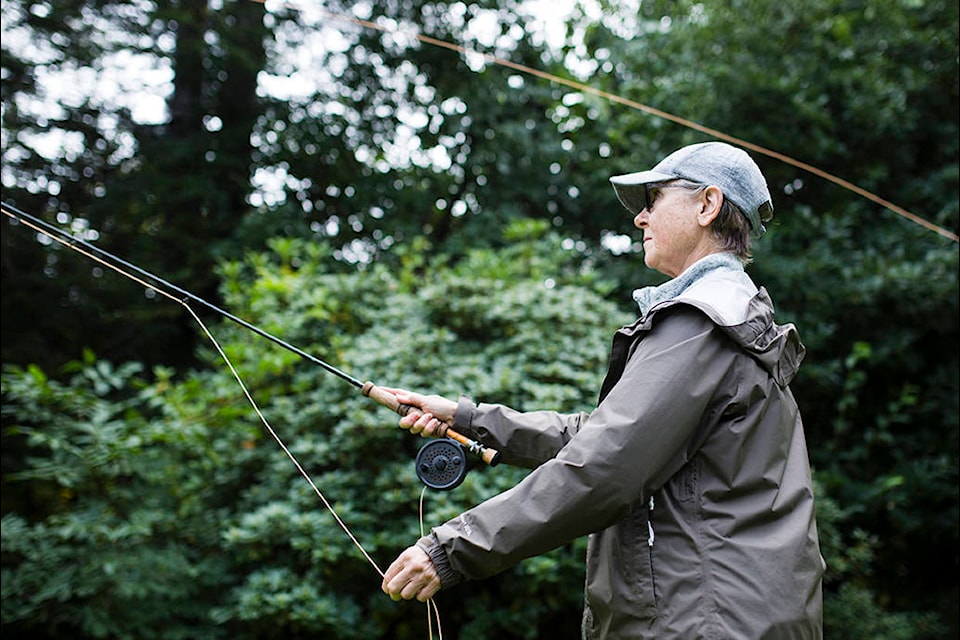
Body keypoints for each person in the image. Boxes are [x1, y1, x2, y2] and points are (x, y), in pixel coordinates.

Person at [381, 141, 825, 639]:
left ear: (708, 205)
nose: (640, 218)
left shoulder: (698, 325)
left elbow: (604, 468)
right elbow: (605, 435)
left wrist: (449, 549)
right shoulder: (727, 318)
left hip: (702, 624)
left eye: (653, 199)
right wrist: (467, 418)